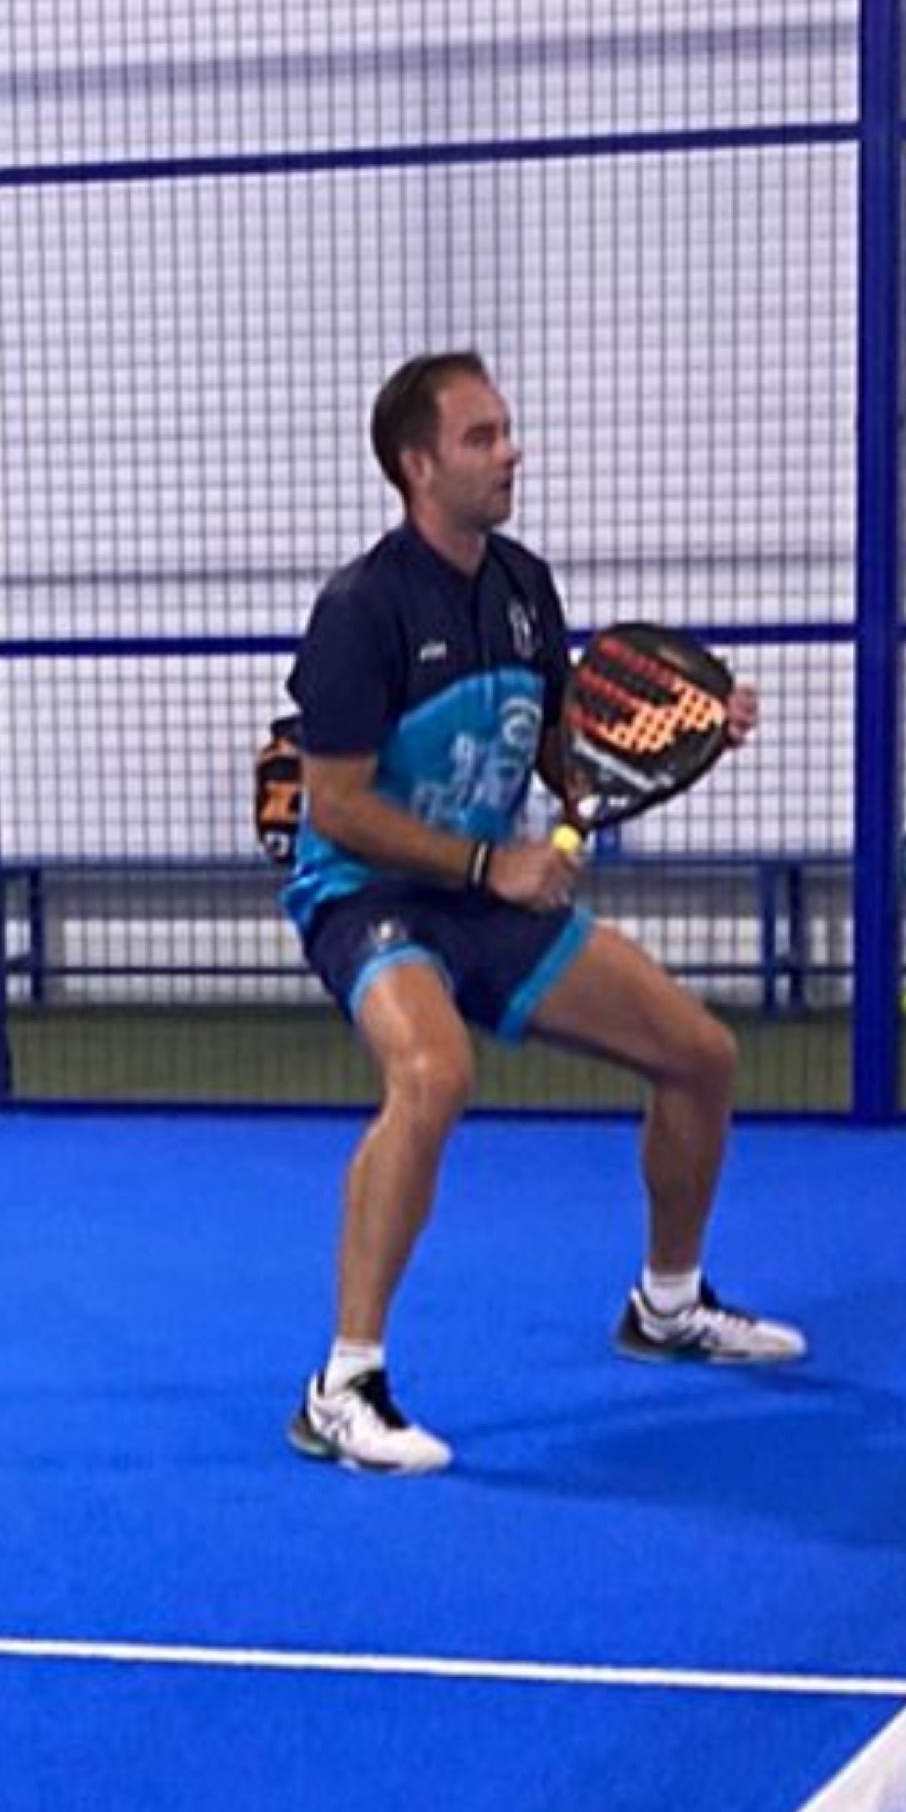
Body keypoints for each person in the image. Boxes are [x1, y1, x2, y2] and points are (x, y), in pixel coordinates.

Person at [282, 351, 808, 1474]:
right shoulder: (360, 611)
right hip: (369, 895)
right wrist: (490, 864)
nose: (510, 451)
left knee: (700, 1056)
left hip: (490, 894)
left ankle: (668, 1305)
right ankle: (344, 1385)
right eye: (481, 437)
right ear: (417, 466)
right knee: (433, 1075)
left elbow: (566, 751)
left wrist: (689, 730)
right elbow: (336, 807)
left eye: (506, 429)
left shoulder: (524, 588)